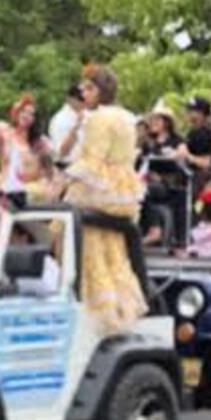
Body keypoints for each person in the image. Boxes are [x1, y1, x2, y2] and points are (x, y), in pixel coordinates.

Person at [64, 65, 148, 333]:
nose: (84, 93)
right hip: (123, 188)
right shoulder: (126, 117)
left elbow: (92, 161)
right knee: (114, 251)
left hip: (100, 189)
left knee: (87, 246)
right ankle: (121, 306)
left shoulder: (98, 119)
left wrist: (64, 179)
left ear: (101, 91)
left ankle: (93, 311)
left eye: (89, 88)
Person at [47, 81, 92, 166]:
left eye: (86, 96)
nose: (84, 100)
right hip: (67, 166)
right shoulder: (60, 119)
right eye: (81, 97)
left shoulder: (89, 115)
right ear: (70, 98)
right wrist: (76, 127)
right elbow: (62, 152)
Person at [179, 96, 211, 171]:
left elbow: (206, 163)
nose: (187, 113)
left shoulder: (205, 134)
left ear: (201, 113)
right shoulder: (193, 132)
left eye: (191, 110)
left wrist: (186, 155)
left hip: (202, 176)